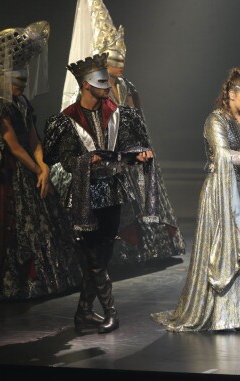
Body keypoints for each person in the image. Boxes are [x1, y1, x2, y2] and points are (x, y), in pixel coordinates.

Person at [0, 21, 82, 303]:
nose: (20, 88)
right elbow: (13, 147)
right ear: (2, 80)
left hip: (28, 168)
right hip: (2, 174)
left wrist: (44, 166)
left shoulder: (22, 103)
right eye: (15, 83)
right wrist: (39, 170)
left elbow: (34, 141)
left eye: (23, 83)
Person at [151, 68, 240, 332]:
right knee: (226, 248)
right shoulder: (216, 120)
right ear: (232, 94)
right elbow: (225, 156)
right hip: (222, 193)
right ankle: (227, 316)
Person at [52, 0, 185, 264]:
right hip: (106, 151)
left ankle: (135, 248)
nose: (120, 63)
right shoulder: (95, 90)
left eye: (123, 58)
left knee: (143, 182)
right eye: (115, 59)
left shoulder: (126, 86)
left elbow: (136, 118)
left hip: (128, 147)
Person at [43, 53, 157, 334]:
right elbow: (67, 160)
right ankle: (111, 313)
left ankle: (83, 312)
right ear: (85, 85)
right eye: (100, 81)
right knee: (94, 259)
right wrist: (87, 161)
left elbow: (128, 148)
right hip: (85, 195)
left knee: (101, 258)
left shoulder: (117, 114)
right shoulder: (68, 120)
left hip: (113, 193)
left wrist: (138, 156)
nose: (106, 86)